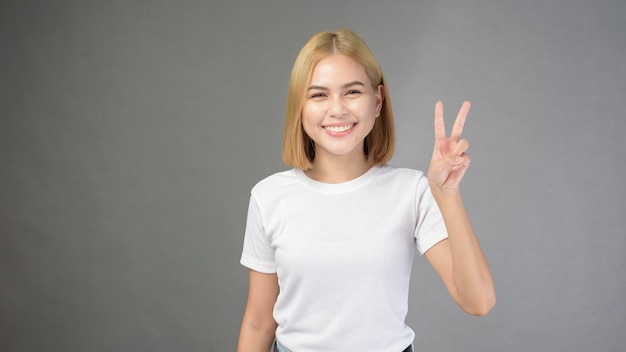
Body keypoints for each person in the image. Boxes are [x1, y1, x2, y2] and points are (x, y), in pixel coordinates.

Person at [237, 28, 495, 352]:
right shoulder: (269, 197)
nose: (337, 109)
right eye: (318, 95)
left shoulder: (411, 192)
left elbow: (479, 301)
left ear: (377, 101)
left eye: (352, 92)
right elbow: (259, 322)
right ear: (299, 107)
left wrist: (447, 195)